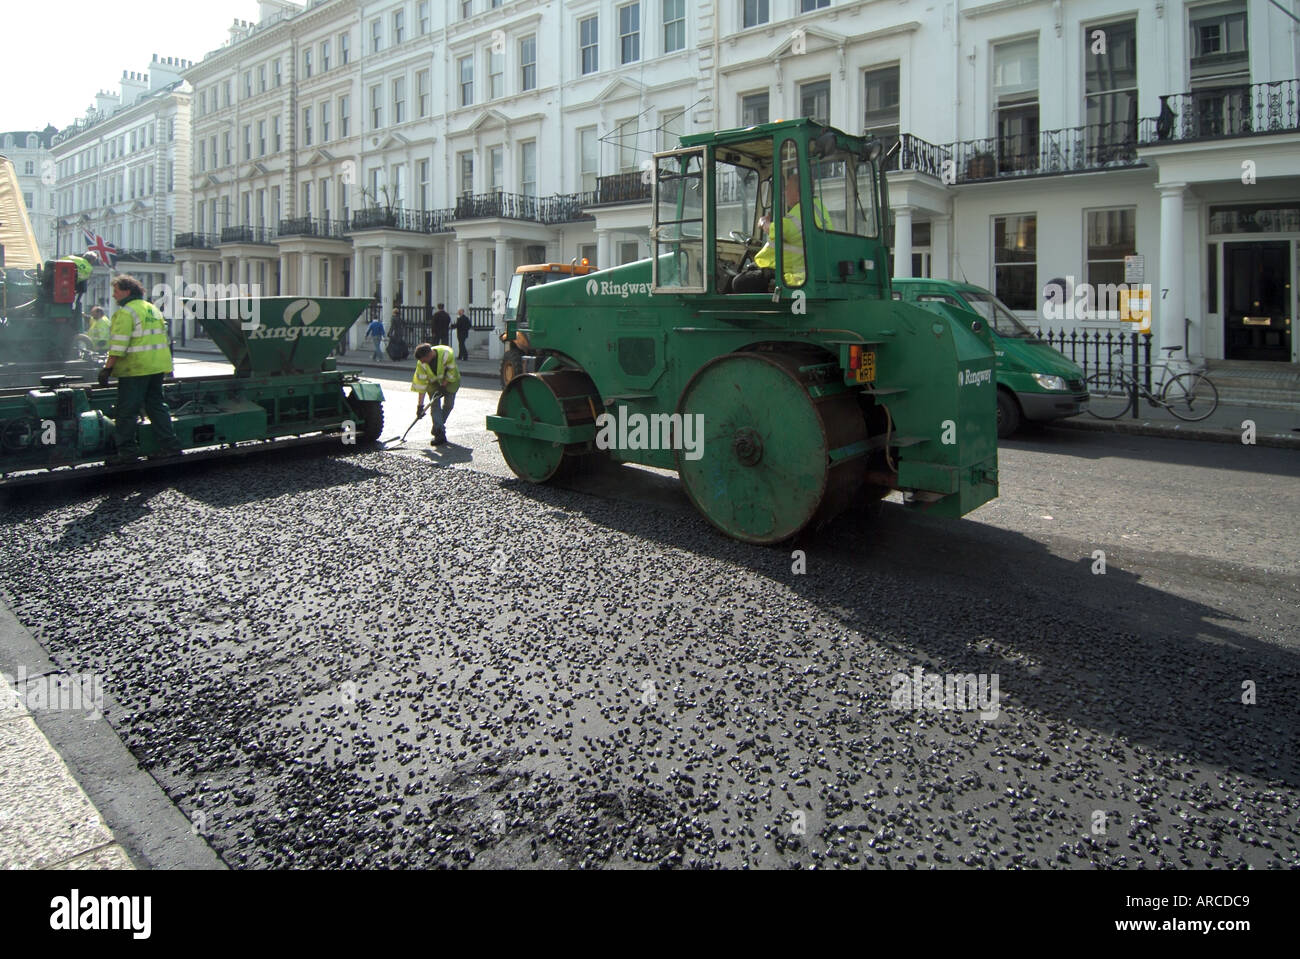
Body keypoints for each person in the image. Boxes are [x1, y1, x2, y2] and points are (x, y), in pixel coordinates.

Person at [98, 274, 183, 465]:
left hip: (136, 368)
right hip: (157, 366)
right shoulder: (152, 309)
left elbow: (119, 345)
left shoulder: (127, 312)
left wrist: (107, 369)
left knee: (127, 410)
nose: (114, 295)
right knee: (156, 405)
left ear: (127, 291)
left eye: (116, 291)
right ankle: (170, 446)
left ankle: (127, 452)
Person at [732, 172, 830, 292]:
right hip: (803, 272)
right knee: (750, 271)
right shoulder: (818, 208)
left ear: (799, 192)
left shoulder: (800, 213)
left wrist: (763, 222)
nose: (785, 192)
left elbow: (776, 230)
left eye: (788, 188)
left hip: (793, 277)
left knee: (737, 282)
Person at [411, 342, 460, 446]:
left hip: (450, 381)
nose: (422, 363)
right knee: (435, 407)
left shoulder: (446, 354)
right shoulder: (421, 363)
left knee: (449, 405)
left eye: (424, 360)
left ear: (429, 355)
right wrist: (420, 406)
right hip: (433, 383)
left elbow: (451, 372)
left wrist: (443, 385)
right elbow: (421, 385)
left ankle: (437, 426)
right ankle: (439, 433)